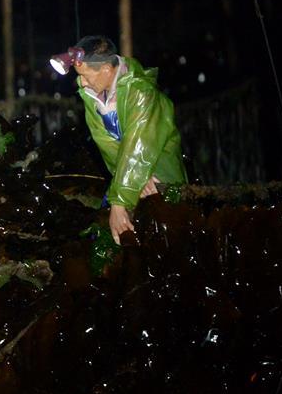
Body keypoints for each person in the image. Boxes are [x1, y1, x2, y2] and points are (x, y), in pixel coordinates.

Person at [50, 35, 187, 244]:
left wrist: (120, 201)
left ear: (106, 69)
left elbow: (138, 145)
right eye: (80, 76)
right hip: (129, 178)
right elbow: (109, 148)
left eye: (87, 76)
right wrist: (133, 184)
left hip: (159, 174)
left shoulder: (141, 93)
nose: (82, 83)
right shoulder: (93, 96)